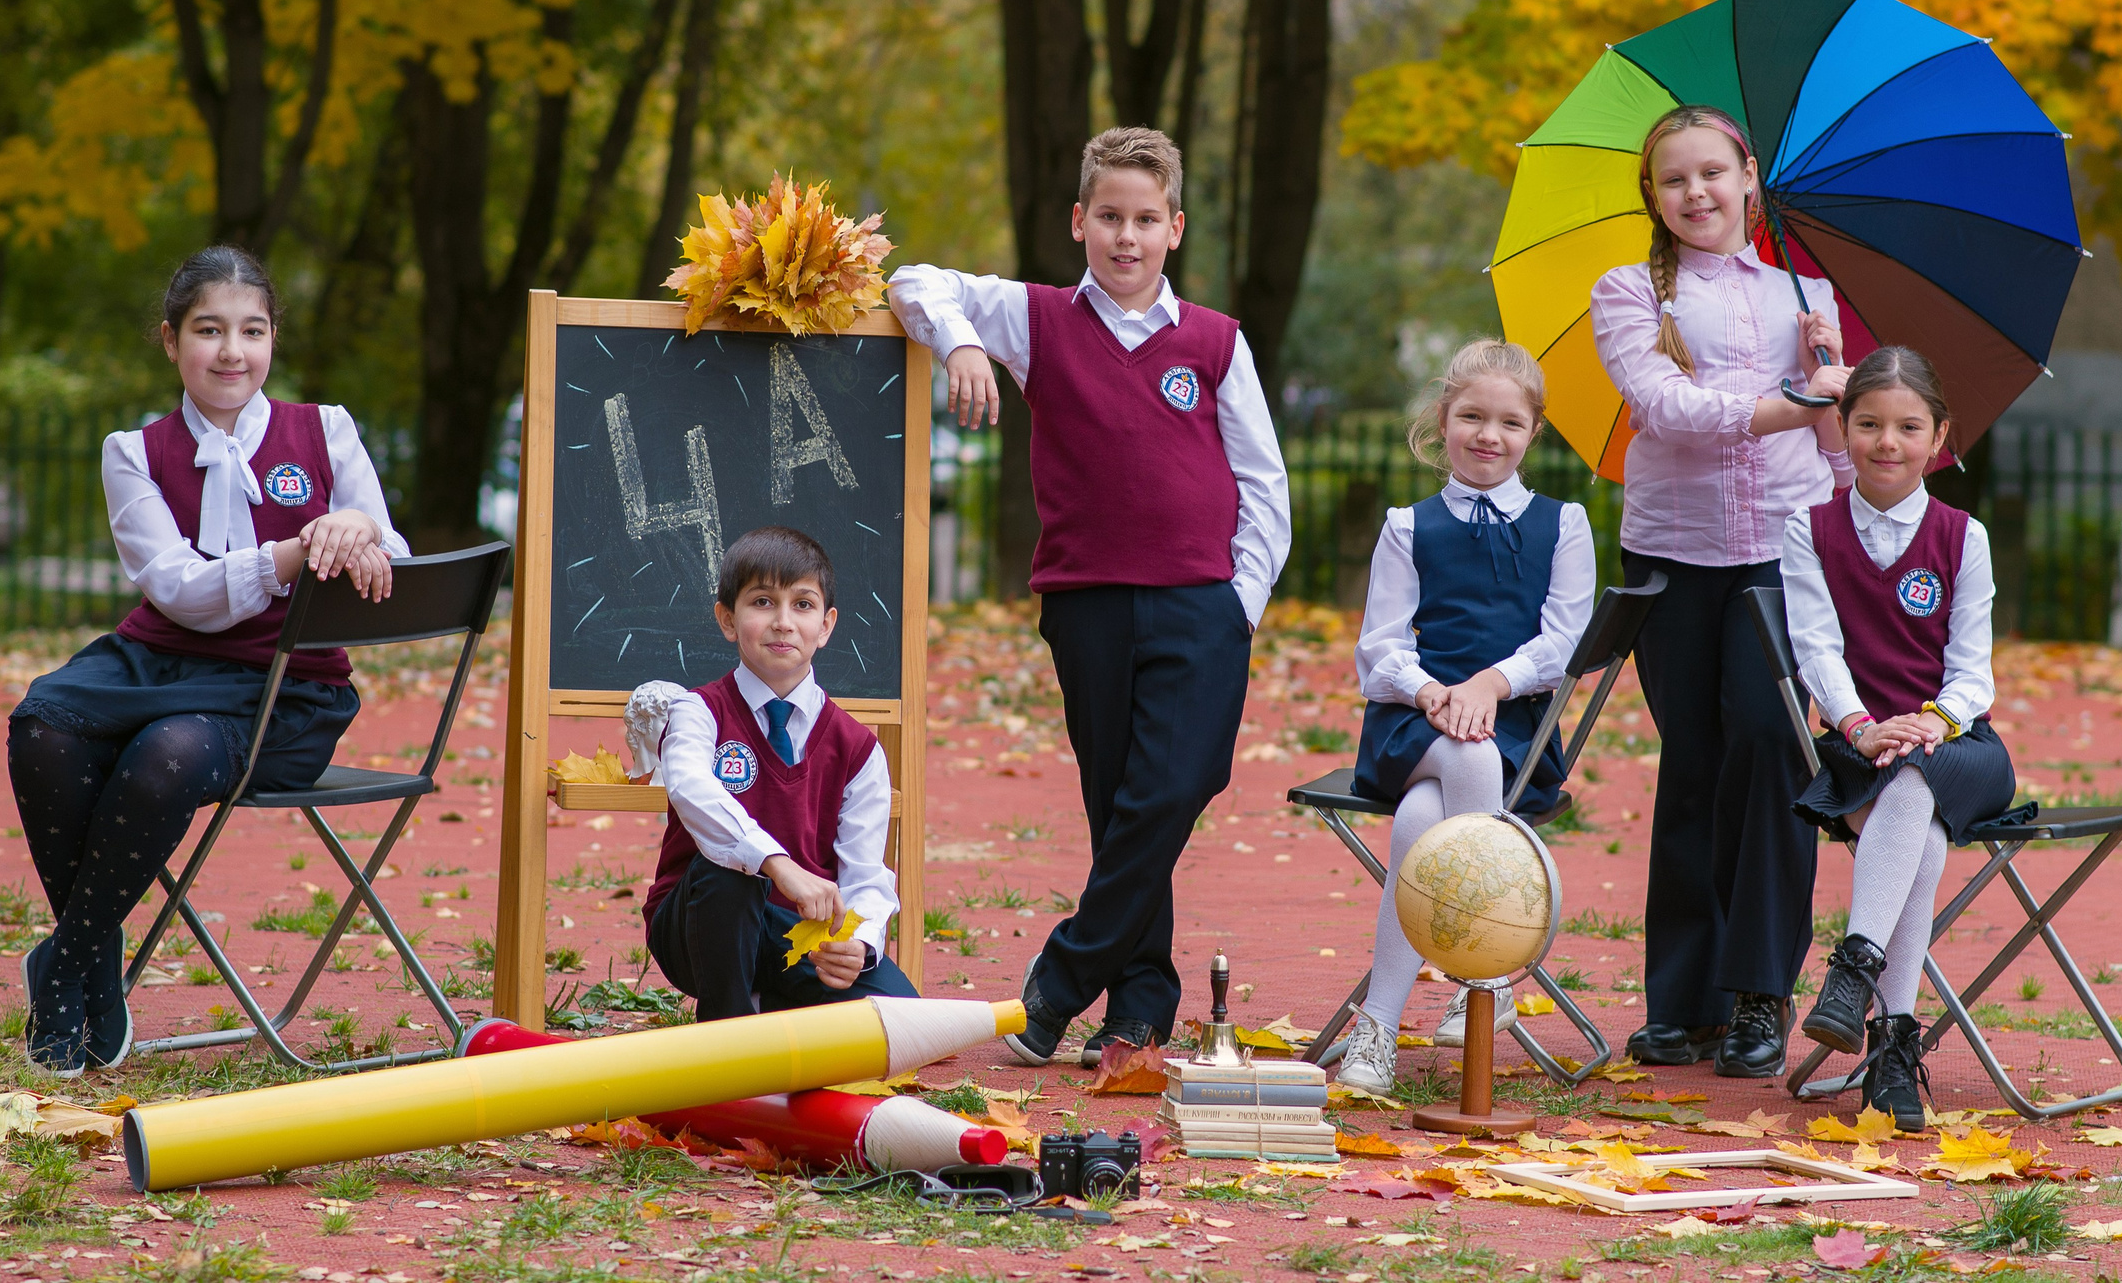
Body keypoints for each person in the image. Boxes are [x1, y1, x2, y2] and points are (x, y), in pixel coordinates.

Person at [889, 127, 1291, 1065]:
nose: (1126, 237)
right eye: (1108, 217)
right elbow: (915, 281)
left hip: (1202, 605)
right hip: (1087, 603)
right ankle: (1141, 1004)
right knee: (1119, 806)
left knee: (1177, 786)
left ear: (1175, 229)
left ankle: (1059, 983)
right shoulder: (1033, 319)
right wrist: (963, 348)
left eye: (1146, 220)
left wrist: (1242, 602)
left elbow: (1264, 481)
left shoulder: (1214, 342)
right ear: (1079, 221)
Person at [7, 246, 406, 1075]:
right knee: (43, 724)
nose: (233, 351)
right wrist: (296, 552)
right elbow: (182, 592)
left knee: (168, 752)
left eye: (252, 331)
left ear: (272, 341)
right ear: (170, 340)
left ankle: (66, 972)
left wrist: (362, 529)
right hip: (159, 660)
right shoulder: (134, 452)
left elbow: (389, 556)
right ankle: (95, 962)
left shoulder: (324, 430)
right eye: (209, 330)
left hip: (282, 690)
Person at [1590, 104, 1852, 1079]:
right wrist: (1792, 402)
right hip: (1673, 558)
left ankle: (1756, 996)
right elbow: (1665, 407)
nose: (1695, 192)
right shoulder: (1628, 291)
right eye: (1674, 179)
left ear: (1748, 175)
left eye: (1712, 172)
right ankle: (1683, 1003)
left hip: (1781, 557)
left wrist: (1832, 386)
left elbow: (1835, 442)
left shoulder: (1806, 292)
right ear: (1654, 198)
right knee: (1693, 766)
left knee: (1769, 750)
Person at [1336, 340, 1595, 1094]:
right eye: (1472, 416)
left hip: (1517, 727)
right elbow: (1378, 650)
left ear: (1533, 433)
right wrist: (1435, 695)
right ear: (1442, 420)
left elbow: (1564, 642)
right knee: (1466, 758)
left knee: (1423, 819)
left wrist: (1487, 684)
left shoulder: (1563, 523)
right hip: (1414, 724)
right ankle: (1483, 976)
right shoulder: (1409, 525)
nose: (1489, 435)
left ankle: (1376, 1031)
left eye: (1509, 423)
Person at [1783, 347, 2011, 1131]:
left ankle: (1853, 969)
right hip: (1857, 744)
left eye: (1908, 427)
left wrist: (1929, 723)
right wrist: (1861, 724)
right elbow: (1815, 648)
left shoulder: (1962, 535)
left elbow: (1973, 674)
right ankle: (1893, 1045)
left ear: (1938, 435)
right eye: (1870, 424)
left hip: (1959, 742)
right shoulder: (1807, 528)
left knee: (1915, 776)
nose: (1887, 442)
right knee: (1922, 830)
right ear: (1840, 428)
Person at [625, 526, 917, 1015]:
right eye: (762, 602)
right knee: (731, 873)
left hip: (795, 937)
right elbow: (692, 790)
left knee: (901, 1009)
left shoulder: (859, 748)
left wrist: (860, 944)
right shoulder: (698, 712)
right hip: (699, 925)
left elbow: (866, 875)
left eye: (802, 605)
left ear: (826, 626)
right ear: (727, 619)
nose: (783, 622)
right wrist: (778, 867)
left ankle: (766, 1004)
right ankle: (727, 1033)